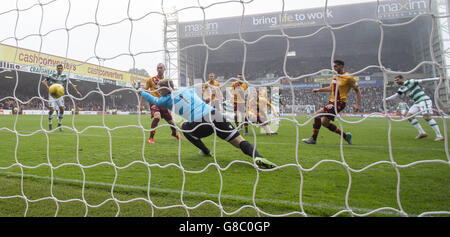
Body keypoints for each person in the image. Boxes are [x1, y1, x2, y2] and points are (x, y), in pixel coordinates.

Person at [137, 79, 277, 169]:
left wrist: (141, 91)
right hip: (215, 115)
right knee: (239, 141)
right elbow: (189, 90)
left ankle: (205, 151)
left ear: (162, 90)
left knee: (183, 127)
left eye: (159, 90)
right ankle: (257, 156)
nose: (159, 92)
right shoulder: (187, 89)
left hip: (200, 123)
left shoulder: (164, 100)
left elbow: (153, 100)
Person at [302, 60, 361, 145]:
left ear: (341, 66)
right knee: (324, 122)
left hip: (339, 103)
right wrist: (319, 90)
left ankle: (313, 139)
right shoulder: (334, 76)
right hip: (332, 102)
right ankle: (345, 136)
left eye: (335, 66)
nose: (334, 68)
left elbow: (357, 90)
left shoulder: (349, 78)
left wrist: (357, 104)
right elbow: (331, 88)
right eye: (333, 67)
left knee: (317, 114)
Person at [384, 75, 444, 141]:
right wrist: (386, 99)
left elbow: (424, 80)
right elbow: (396, 95)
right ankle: (422, 133)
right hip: (417, 102)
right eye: (395, 81)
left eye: (397, 80)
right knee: (409, 116)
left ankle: (439, 136)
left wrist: (438, 79)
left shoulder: (410, 82)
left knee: (426, 117)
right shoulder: (401, 89)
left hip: (424, 100)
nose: (396, 82)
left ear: (402, 79)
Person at [139, 63, 182, 144]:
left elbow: (170, 94)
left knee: (172, 122)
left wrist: (169, 107)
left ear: (164, 69)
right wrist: (141, 104)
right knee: (157, 116)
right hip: (154, 102)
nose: (159, 69)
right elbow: (143, 92)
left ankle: (174, 134)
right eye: (158, 68)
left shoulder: (167, 81)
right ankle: (151, 138)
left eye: (161, 68)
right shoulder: (150, 79)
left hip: (164, 103)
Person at [42, 64, 82, 131]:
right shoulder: (52, 75)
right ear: (56, 69)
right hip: (52, 94)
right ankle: (50, 124)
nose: (59, 69)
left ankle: (59, 124)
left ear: (62, 69)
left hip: (59, 94)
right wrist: (48, 87)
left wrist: (77, 91)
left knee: (62, 109)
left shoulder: (64, 77)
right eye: (58, 68)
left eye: (61, 68)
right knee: (52, 110)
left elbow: (71, 84)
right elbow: (43, 81)